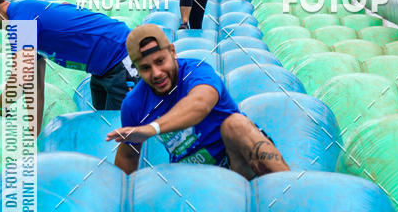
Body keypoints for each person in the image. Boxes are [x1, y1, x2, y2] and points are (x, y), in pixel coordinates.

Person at [0, 0, 139, 133]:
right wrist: (34, 133)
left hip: (123, 57)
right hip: (102, 68)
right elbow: (34, 85)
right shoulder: (22, 12)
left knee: (118, 131)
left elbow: (22, 76)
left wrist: (0, 105)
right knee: (103, 125)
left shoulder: (21, 20)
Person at [108, 24, 290, 178]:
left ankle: (288, 189)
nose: (156, 73)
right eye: (146, 68)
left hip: (238, 162)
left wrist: (151, 128)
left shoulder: (197, 71)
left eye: (160, 61)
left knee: (236, 124)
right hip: (192, 177)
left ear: (172, 51)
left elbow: (199, 104)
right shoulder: (134, 104)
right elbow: (128, 156)